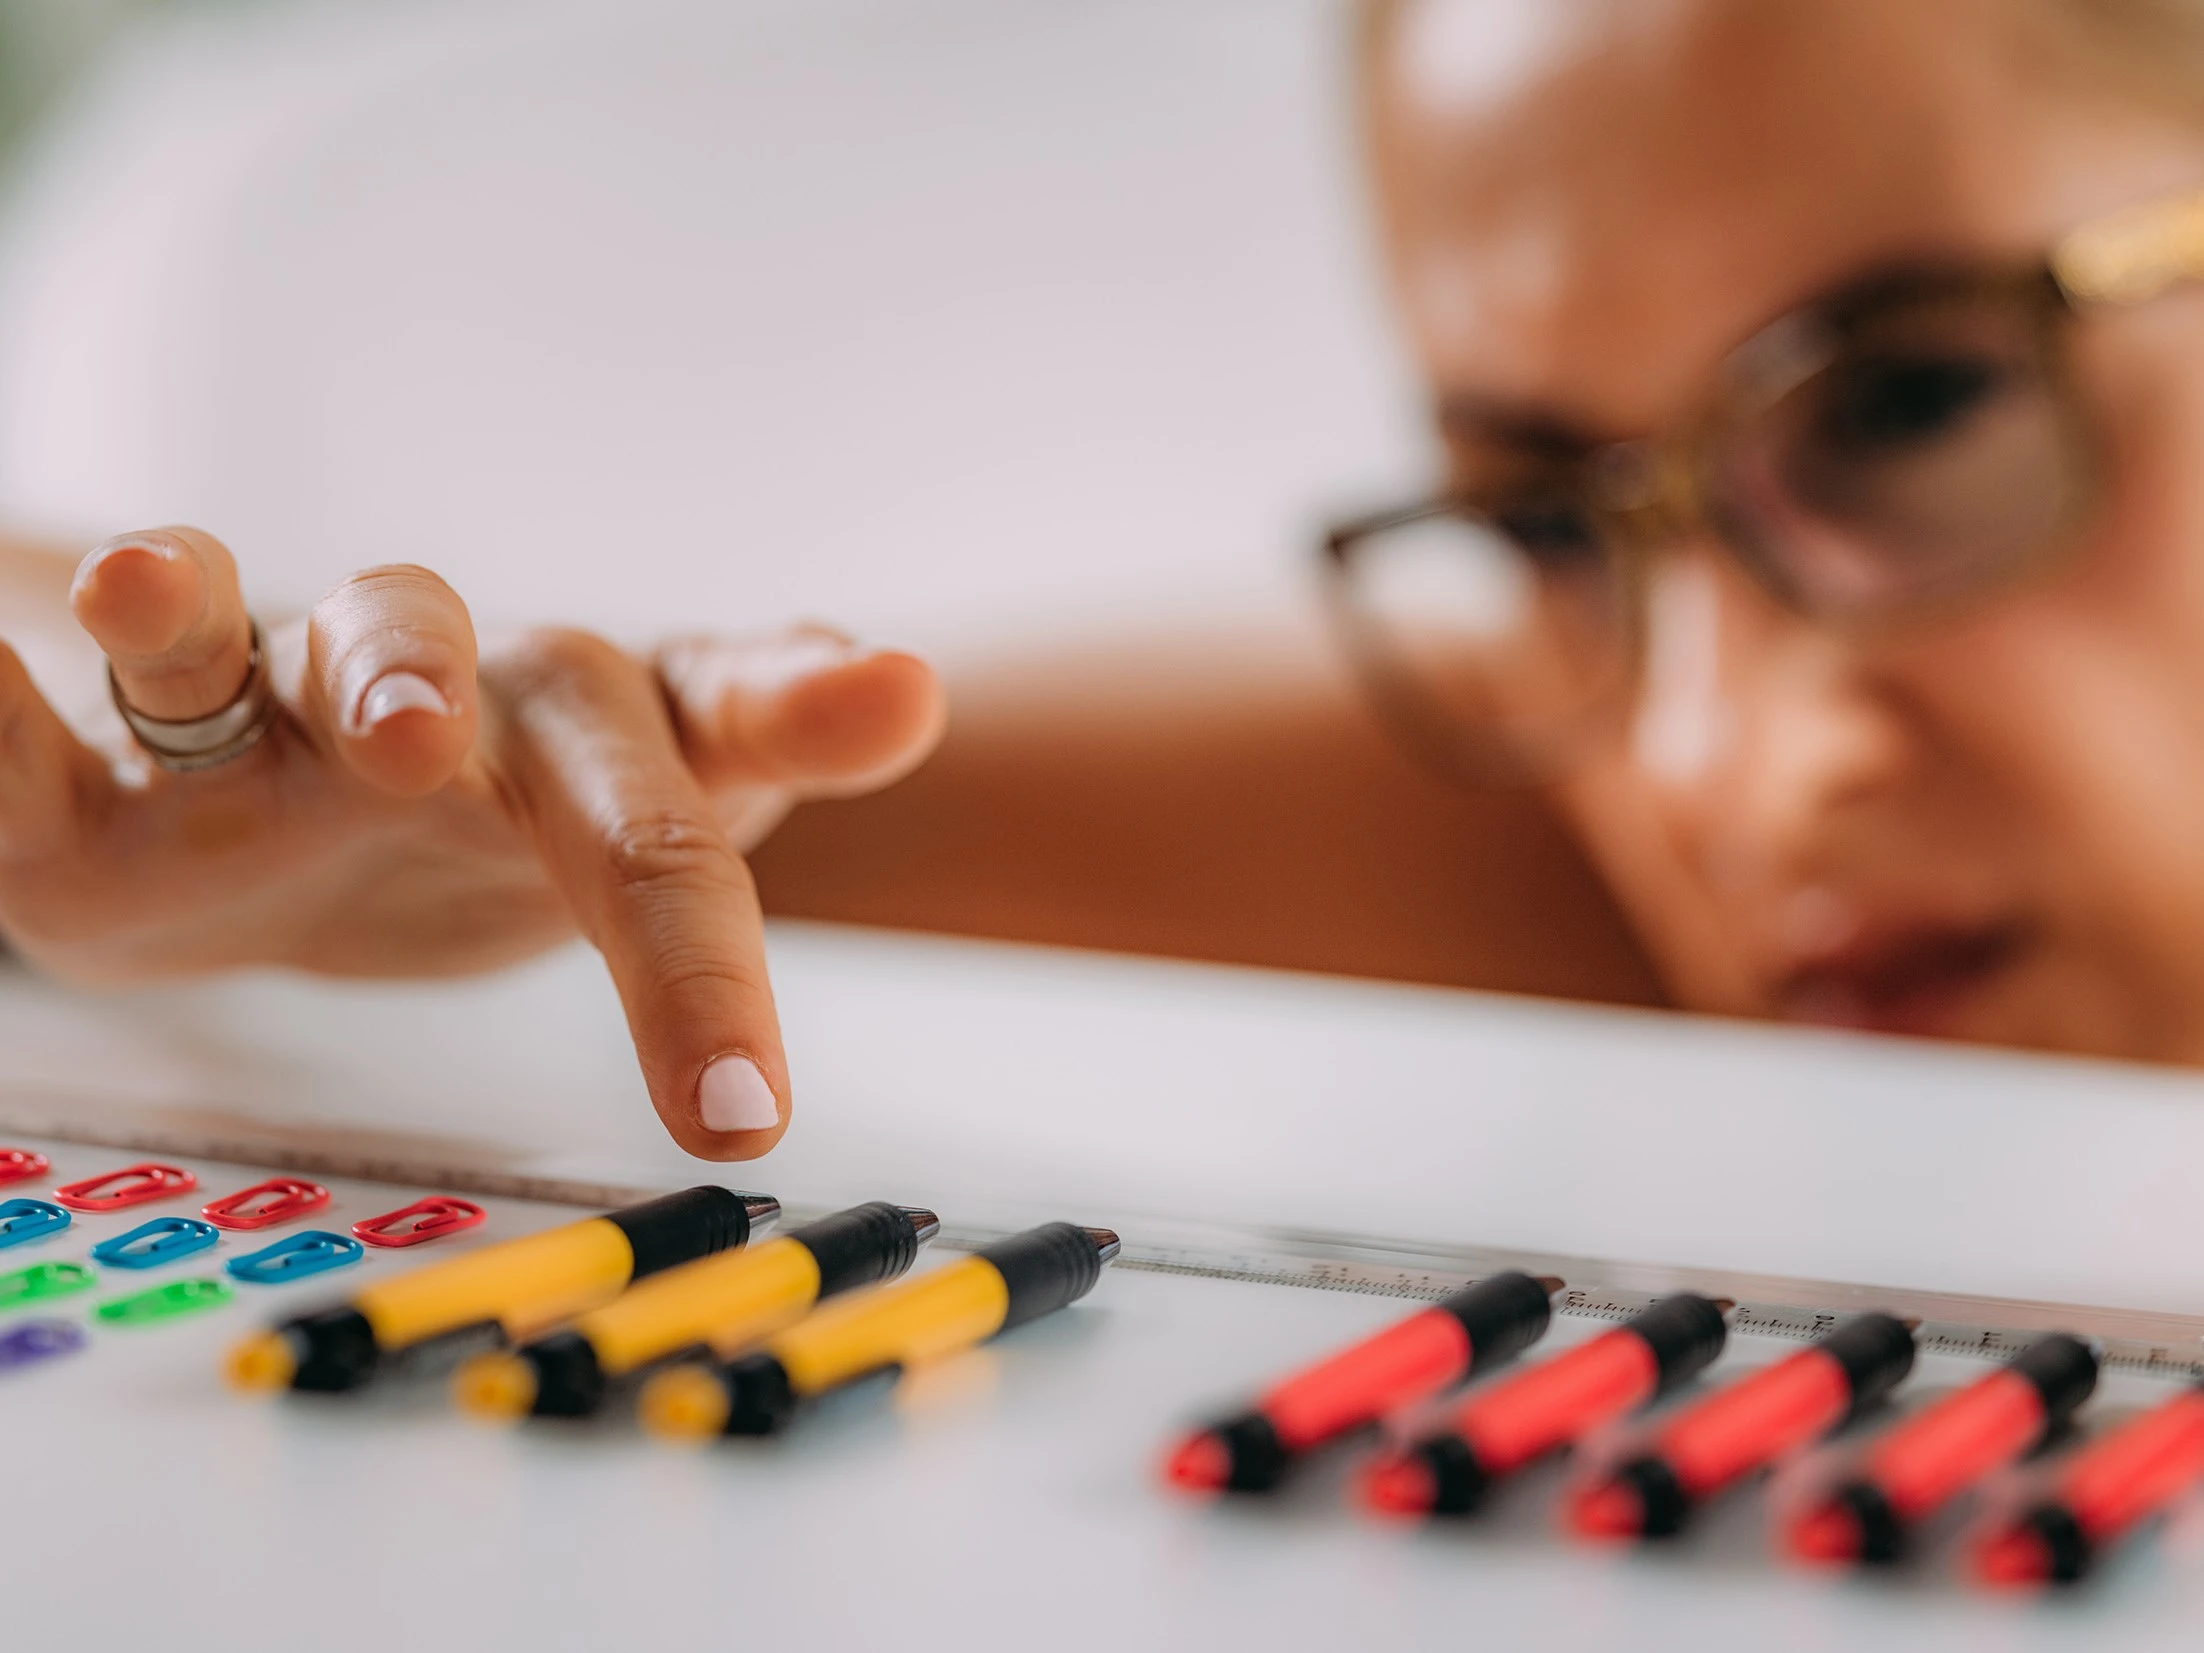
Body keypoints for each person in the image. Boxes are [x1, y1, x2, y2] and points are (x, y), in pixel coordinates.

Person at [9, 0, 2204, 1165]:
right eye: (1549, 527)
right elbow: (642, 827)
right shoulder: (1577, 847)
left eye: (1919, 411)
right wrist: (258, 789)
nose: (1730, 760)